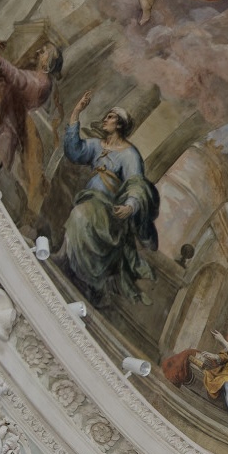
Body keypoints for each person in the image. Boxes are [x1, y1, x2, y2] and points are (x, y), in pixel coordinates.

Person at [57, 99, 159, 308]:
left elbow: (136, 184)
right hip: (90, 198)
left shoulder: (130, 155)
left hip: (109, 208)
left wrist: (130, 205)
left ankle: (72, 265)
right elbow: (74, 151)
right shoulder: (97, 145)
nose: (105, 119)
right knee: (80, 214)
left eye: (110, 117)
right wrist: (76, 112)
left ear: (119, 124)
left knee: (79, 215)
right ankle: (69, 262)